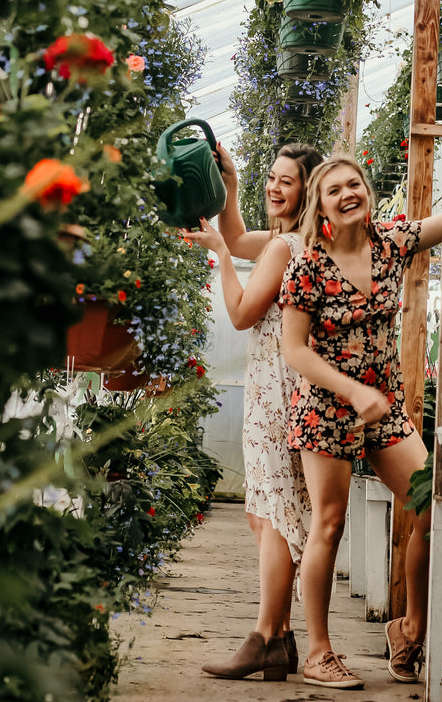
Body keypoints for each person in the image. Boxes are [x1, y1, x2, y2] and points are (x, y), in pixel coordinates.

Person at [280, 106, 442, 689]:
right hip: (326, 410)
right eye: (334, 189)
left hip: (384, 409)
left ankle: (411, 628)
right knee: (328, 524)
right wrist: (353, 391)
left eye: (354, 184)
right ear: (319, 206)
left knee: (431, 503)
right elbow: (295, 351)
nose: (347, 193)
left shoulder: (389, 242)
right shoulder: (306, 268)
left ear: (366, 194)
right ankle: (320, 652)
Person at [182, 141, 323, 682]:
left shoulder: (288, 246)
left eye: (285, 180)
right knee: (268, 512)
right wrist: (233, 187)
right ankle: (281, 636)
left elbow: (241, 313)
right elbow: (242, 237)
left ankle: (266, 636)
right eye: (271, 177)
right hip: (279, 386)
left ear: (306, 190)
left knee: (273, 516)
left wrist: (220, 255)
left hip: (278, 392)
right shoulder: (299, 239)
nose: (275, 187)